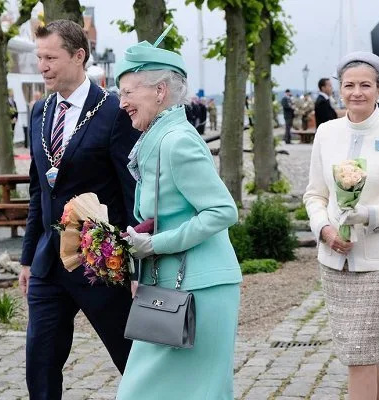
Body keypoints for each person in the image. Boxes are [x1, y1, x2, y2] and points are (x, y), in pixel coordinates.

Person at [114, 27, 243, 400]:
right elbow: (165, 213)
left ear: (160, 91)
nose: (121, 102)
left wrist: (154, 244)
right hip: (171, 287)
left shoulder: (177, 141)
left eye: (128, 92)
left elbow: (222, 211)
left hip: (201, 289)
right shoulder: (157, 139)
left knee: (194, 392)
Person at [18, 20, 139, 399]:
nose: (43, 66)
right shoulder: (39, 111)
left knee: (131, 359)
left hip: (100, 262)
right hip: (48, 266)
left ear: (79, 56)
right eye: (40, 58)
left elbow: (131, 190)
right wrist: (26, 259)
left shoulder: (115, 111)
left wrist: (138, 266)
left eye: (51, 57)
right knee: (40, 364)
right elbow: (39, 190)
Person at [303, 51, 379, 399]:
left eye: (365, 85)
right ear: (339, 90)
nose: (357, 92)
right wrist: (324, 229)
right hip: (333, 263)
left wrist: (369, 216)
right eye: (349, 85)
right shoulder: (326, 133)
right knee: (361, 353)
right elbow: (314, 194)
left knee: (359, 350)